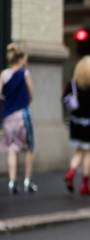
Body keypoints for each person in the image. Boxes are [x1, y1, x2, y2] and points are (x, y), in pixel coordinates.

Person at [62, 56, 90, 196]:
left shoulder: (72, 84)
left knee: (78, 151)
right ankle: (85, 185)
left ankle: (71, 172)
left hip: (75, 123)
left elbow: (64, 100)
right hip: (88, 124)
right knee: (87, 153)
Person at [0, 43, 37, 195]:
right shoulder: (25, 73)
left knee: (12, 149)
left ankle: (12, 181)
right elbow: (31, 94)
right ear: (21, 58)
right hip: (23, 115)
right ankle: (27, 181)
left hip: (8, 117)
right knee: (29, 147)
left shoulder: (4, 74)